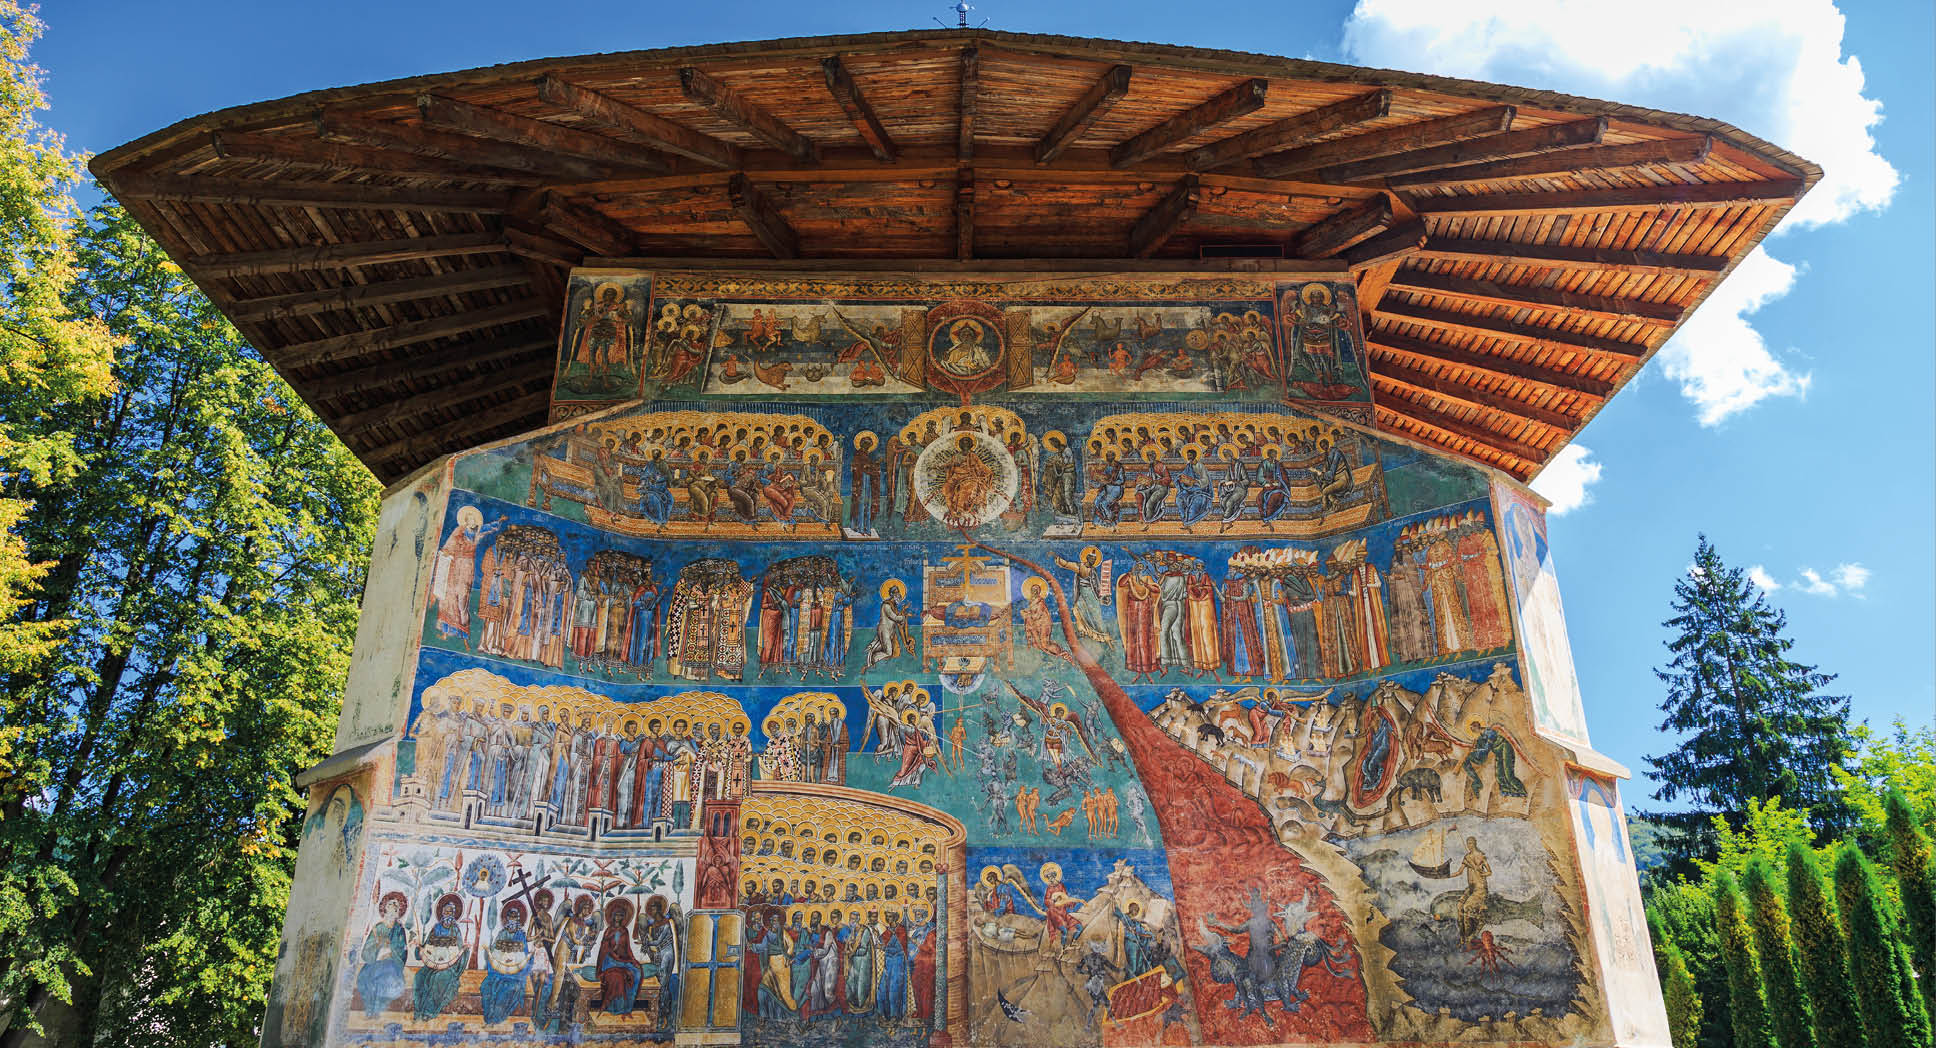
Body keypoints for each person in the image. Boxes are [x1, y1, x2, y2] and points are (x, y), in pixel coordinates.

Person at [411, 894, 466, 1020]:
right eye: (446, 911)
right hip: (432, 964)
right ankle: (418, 1010)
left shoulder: (455, 930)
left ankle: (429, 1012)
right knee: (420, 977)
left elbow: (459, 951)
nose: (448, 914)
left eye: (451, 912)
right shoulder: (436, 928)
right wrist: (419, 946)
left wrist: (455, 958)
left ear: (454, 914)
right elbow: (426, 948)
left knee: (438, 978)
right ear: (442, 913)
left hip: (449, 966)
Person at [354, 893, 408, 1018]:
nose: (392, 908)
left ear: (398, 911)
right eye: (390, 905)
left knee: (385, 980)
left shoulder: (399, 929)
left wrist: (391, 951)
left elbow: (402, 949)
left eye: (395, 906)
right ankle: (370, 1010)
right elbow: (367, 950)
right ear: (385, 908)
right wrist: (378, 951)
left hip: (392, 964)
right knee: (367, 979)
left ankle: (378, 1010)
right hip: (376, 962)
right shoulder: (378, 928)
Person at [479, 900, 531, 1024]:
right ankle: (489, 1018)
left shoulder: (521, 935)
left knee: (509, 988)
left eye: (515, 918)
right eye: (510, 917)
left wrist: (517, 968)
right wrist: (497, 960)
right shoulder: (502, 934)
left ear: (518, 920)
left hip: (515, 974)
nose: (512, 920)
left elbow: (525, 956)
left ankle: (496, 1019)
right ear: (507, 919)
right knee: (488, 986)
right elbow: (493, 952)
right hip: (499, 971)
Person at [597, 898, 644, 1015]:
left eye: (620, 915)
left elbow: (627, 948)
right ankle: (616, 1008)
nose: (618, 917)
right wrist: (615, 956)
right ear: (612, 916)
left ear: (623, 917)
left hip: (622, 960)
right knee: (618, 977)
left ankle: (628, 1006)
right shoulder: (609, 931)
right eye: (616, 915)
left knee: (637, 972)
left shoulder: (624, 931)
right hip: (610, 961)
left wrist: (632, 960)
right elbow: (605, 949)